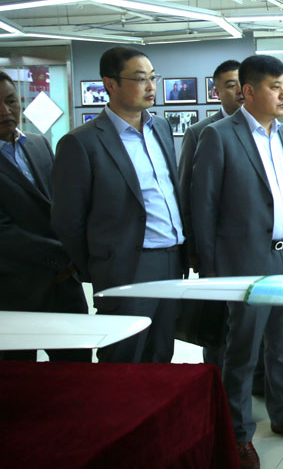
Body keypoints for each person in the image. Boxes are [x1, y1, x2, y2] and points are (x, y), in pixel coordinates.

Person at [191, 55, 283, 468]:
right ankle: (238, 432)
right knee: (243, 351)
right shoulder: (218, 136)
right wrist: (210, 270)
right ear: (248, 91)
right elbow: (203, 206)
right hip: (245, 261)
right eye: (274, 87)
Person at [52, 46, 186, 363]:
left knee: (161, 353)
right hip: (125, 265)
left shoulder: (161, 128)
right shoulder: (82, 142)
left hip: (171, 259)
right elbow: (68, 220)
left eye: (153, 78)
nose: (151, 87)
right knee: (124, 357)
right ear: (110, 84)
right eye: (140, 79)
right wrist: (101, 265)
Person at [0, 71, 89, 362]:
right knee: (19, 378)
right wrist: (62, 256)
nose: (5, 111)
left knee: (76, 370)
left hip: (64, 285)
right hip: (15, 288)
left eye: (11, 101)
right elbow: (4, 233)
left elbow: (60, 205)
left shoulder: (39, 144)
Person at [177, 59, 243, 369]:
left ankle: (257, 383)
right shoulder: (200, 132)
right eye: (230, 85)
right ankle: (217, 383)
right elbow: (189, 195)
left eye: (242, 83)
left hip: (257, 249)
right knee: (219, 327)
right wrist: (195, 249)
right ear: (216, 92)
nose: (239, 90)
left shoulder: (270, 129)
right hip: (218, 249)